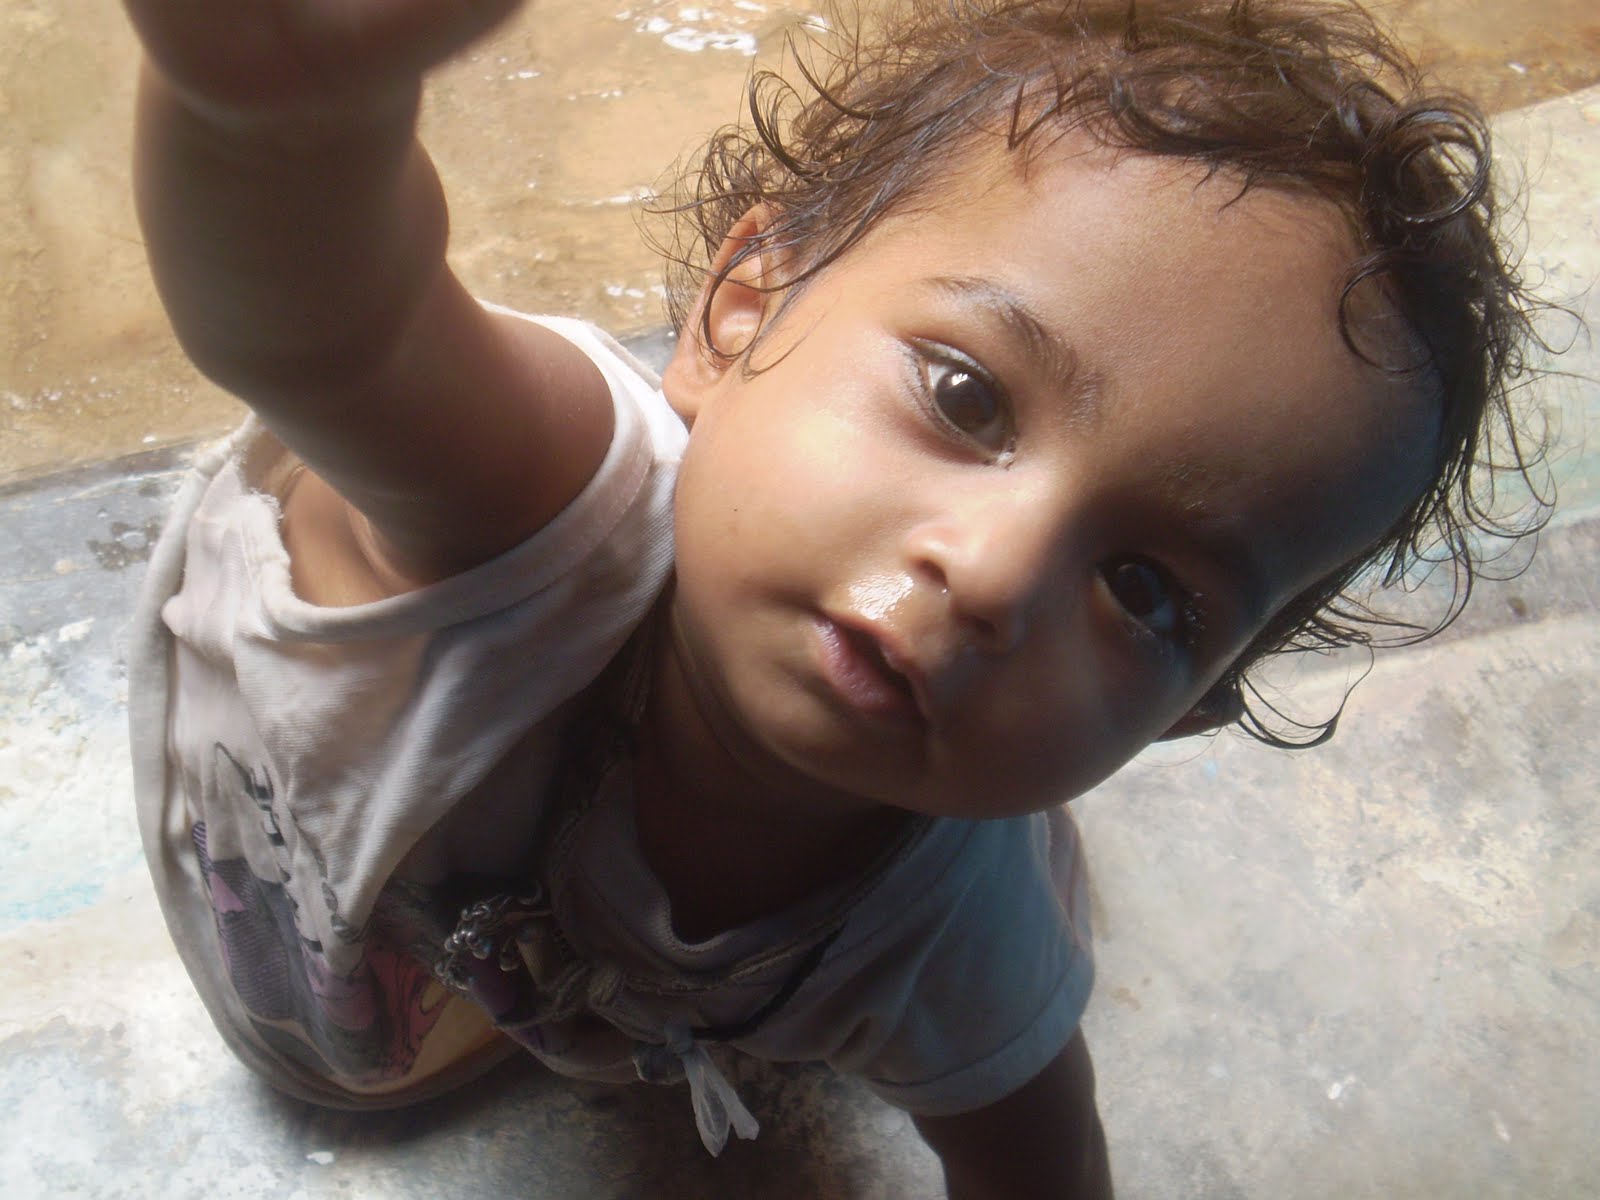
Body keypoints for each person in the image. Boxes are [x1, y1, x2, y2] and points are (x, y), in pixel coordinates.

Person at [121, 0, 1545, 1194]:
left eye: (1147, 592)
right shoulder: (535, 504)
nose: (993, 573)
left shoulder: (955, 938)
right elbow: (335, 335)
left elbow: (1038, 1159)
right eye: (967, 395)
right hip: (330, 829)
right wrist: (275, 126)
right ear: (744, 307)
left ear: (1189, 710)